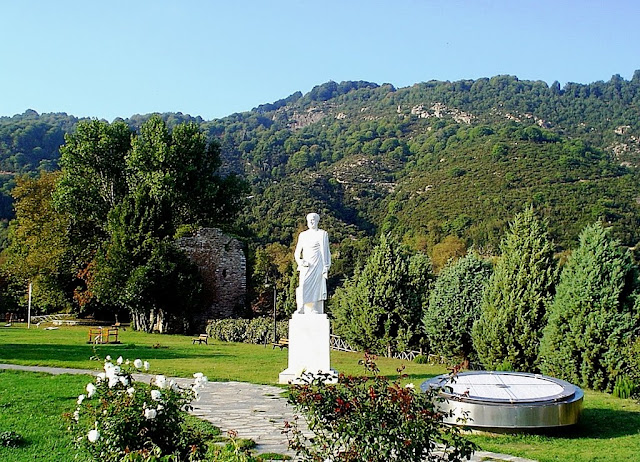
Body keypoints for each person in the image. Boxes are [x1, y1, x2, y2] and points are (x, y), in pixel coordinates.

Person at [294, 213, 331, 314]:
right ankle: (301, 307)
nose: (311, 222)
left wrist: (326, 266)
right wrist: (300, 261)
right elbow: (297, 252)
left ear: (317, 221)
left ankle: (313, 308)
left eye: (313, 220)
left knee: (316, 287)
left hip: (318, 264)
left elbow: (326, 251)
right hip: (306, 265)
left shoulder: (322, 234)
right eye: (309, 220)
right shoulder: (303, 235)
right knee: (303, 285)